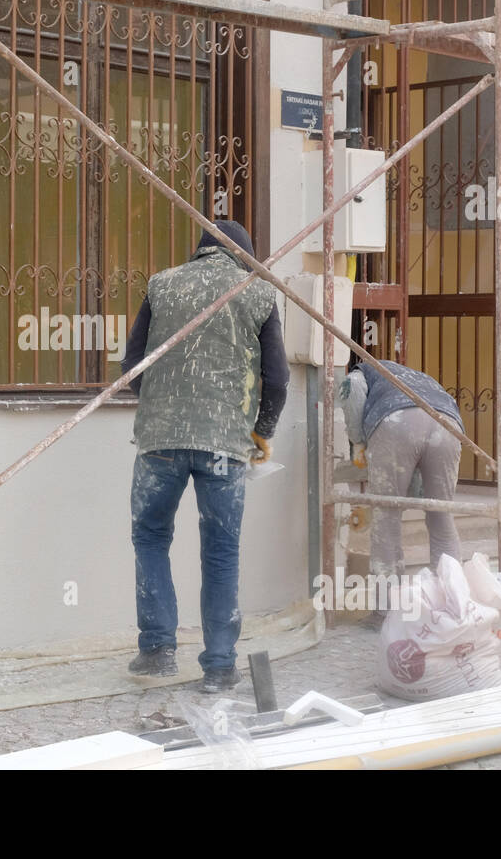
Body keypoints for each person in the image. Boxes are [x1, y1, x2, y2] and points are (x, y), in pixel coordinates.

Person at [120, 219, 289, 692]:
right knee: (220, 550)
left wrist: (162, 402)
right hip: (224, 445)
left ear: (199, 249)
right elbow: (276, 380)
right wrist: (261, 432)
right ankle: (218, 667)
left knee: (151, 537)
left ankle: (156, 650)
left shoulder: (162, 284)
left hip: (160, 441)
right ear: (245, 256)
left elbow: (133, 367)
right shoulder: (257, 293)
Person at [338, 356, 465, 615]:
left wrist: (358, 442)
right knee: (442, 517)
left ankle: (387, 611)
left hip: (397, 423)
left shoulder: (362, 372)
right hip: (448, 426)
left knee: (387, 517)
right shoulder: (417, 377)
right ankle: (453, 604)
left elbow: (353, 392)